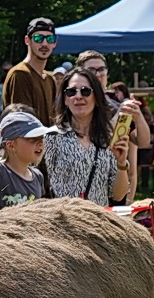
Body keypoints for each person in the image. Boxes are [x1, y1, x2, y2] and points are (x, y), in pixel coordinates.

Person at [44, 68, 132, 205]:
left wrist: (121, 163)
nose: (78, 96)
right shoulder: (51, 137)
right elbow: (40, 185)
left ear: (96, 97)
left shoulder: (108, 138)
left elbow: (118, 195)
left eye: (85, 91)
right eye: (71, 92)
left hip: (98, 217)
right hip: (62, 217)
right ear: (65, 99)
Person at [1, 18, 61, 126]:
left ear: (55, 43)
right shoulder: (20, 74)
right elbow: (23, 124)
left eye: (50, 39)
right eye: (38, 38)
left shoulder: (49, 78)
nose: (44, 44)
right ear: (27, 40)